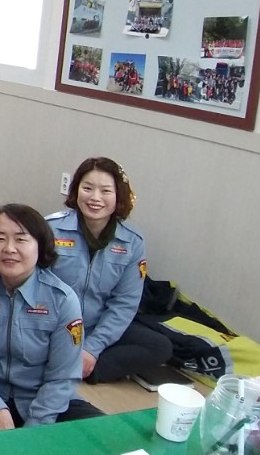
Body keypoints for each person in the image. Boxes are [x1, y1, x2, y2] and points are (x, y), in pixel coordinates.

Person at [0, 204, 104, 435]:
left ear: (40, 245)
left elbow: (63, 375)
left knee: (100, 431)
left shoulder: (62, 299)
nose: (9, 248)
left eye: (21, 239)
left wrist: (34, 428)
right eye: (0, 238)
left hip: (42, 396)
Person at [47, 157, 171, 383]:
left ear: (118, 196)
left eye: (105, 191)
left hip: (96, 325)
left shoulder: (132, 241)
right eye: (87, 188)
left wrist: (92, 348)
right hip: (52, 325)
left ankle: (81, 367)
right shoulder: (51, 230)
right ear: (76, 191)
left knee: (159, 346)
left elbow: (125, 302)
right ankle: (69, 364)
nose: (95, 198)